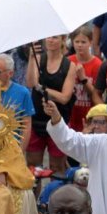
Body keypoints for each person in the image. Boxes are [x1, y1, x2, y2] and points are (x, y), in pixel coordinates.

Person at [25, 36, 78, 172]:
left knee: (57, 168)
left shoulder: (69, 65)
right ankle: (35, 194)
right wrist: (31, 58)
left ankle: (57, 193)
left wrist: (43, 89)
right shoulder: (38, 59)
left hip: (58, 121)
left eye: (55, 37)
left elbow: (65, 97)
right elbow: (31, 83)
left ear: (63, 39)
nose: (51, 40)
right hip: (37, 119)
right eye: (49, 37)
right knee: (33, 167)